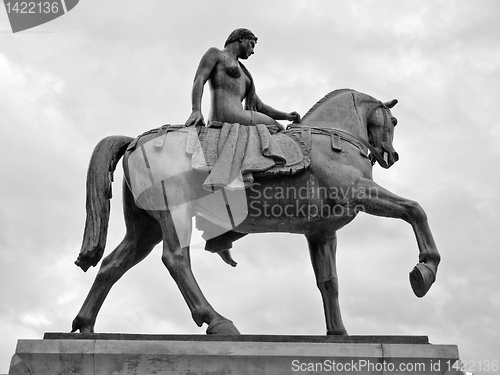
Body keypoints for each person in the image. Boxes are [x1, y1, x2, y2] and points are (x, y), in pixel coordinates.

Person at [185, 28, 300, 130]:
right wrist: (196, 110)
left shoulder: (245, 74)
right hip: (227, 116)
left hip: (239, 115)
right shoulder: (216, 54)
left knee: (279, 125)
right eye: (251, 44)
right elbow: (199, 79)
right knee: (279, 128)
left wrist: (286, 116)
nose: (253, 51)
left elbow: (260, 106)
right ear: (241, 39)